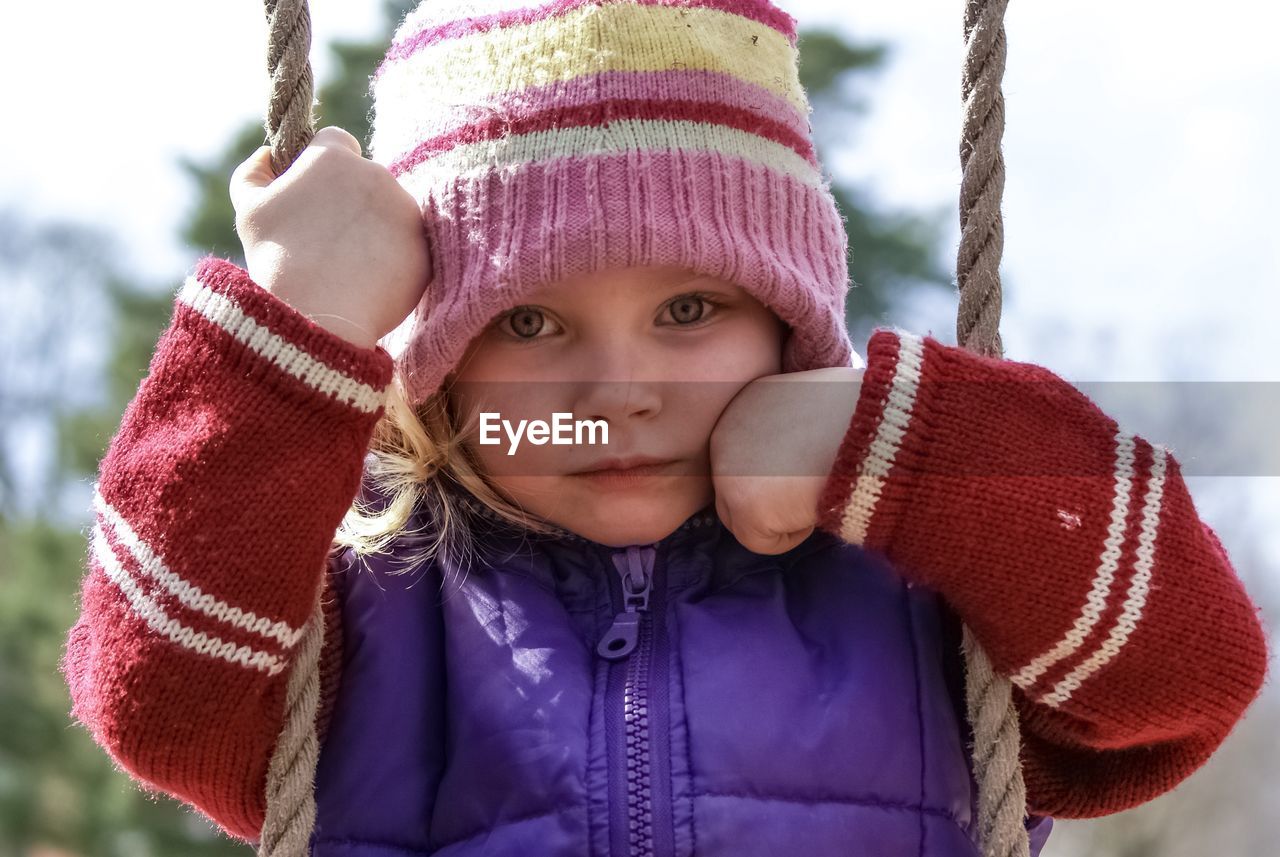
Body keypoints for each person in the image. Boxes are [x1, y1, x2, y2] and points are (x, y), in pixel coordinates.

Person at [60, 1, 1269, 855]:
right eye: (528, 321)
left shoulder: (920, 592)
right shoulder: (376, 611)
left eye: (690, 308)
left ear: (790, 326)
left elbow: (1181, 673)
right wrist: (298, 324)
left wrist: (898, 440)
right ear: (435, 368)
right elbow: (153, 691)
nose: (617, 390)